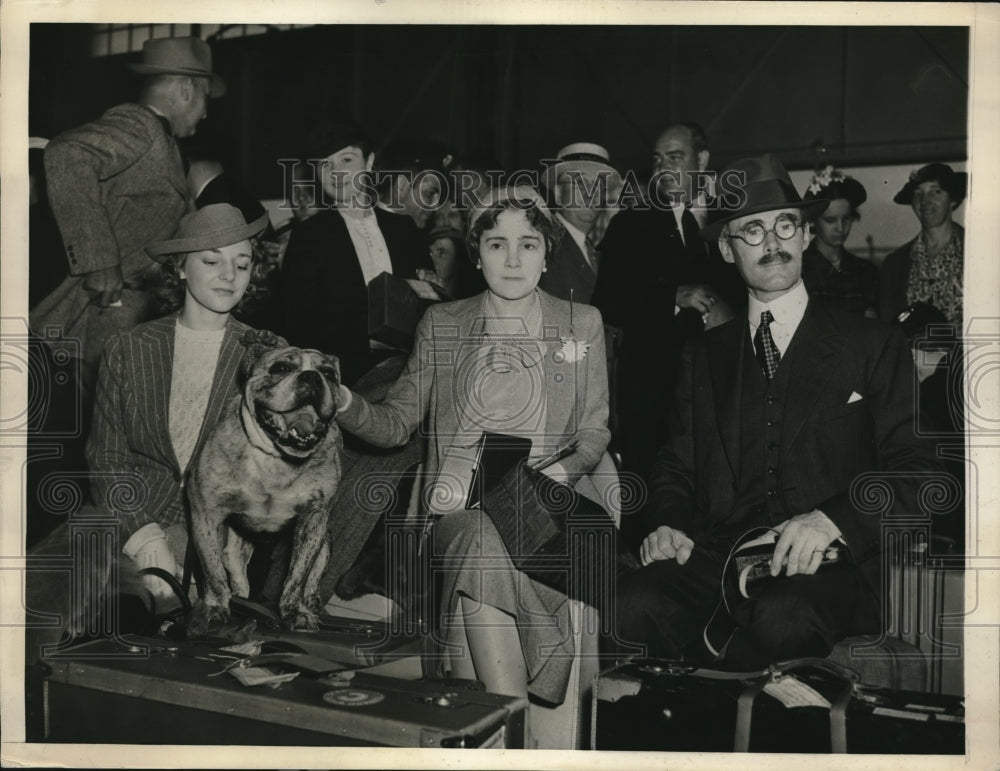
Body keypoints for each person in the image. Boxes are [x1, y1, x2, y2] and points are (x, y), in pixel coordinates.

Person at [616, 155, 940, 671]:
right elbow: (675, 468)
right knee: (632, 605)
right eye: (752, 230)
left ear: (806, 235)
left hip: (831, 565)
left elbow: (918, 472)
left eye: (785, 224)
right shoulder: (702, 355)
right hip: (721, 556)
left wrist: (833, 519)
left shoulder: (873, 344)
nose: (772, 242)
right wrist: (668, 524)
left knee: (782, 616)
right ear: (726, 248)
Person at [334, 186, 613, 744]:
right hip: (457, 513)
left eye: (528, 244)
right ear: (476, 252)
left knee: (490, 536)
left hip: (549, 510)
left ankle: (504, 736)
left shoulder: (582, 323)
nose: (513, 260)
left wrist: (557, 477)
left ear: (546, 251)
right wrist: (343, 402)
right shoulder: (443, 322)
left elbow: (594, 432)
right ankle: (522, 725)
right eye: (497, 243)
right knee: (481, 534)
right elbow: (396, 423)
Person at [26, 204, 274, 661]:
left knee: (134, 617)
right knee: (41, 598)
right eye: (211, 260)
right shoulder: (129, 348)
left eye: (242, 263)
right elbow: (106, 459)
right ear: (179, 269)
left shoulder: (266, 356)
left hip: (209, 534)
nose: (229, 275)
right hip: (121, 512)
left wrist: (193, 541)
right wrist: (145, 536)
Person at [29, 36, 225, 392]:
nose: (206, 112)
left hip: (127, 312)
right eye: (205, 99)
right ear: (186, 89)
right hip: (108, 307)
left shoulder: (166, 146)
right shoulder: (141, 126)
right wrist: (98, 259)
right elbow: (65, 154)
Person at [592, 123, 739, 491]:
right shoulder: (630, 225)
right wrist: (672, 296)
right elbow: (606, 301)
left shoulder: (733, 220)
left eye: (675, 157)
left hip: (725, 392)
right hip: (654, 398)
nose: (662, 168)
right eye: (657, 160)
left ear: (702, 160)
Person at [273, 119, 426, 386]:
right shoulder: (309, 236)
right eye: (325, 164)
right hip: (347, 381)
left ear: (369, 163)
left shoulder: (404, 229)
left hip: (412, 376)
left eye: (347, 159)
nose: (336, 172)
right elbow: (297, 324)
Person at [878, 163, 967, 326]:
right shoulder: (895, 265)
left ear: (953, 200)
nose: (925, 200)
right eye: (918, 194)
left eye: (936, 192)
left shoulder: (979, 253)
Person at [539, 142, 621, 305]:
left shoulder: (595, 251)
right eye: (580, 185)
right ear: (559, 193)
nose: (590, 195)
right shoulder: (544, 244)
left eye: (599, 187)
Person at [801, 166, 879, 317]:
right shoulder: (799, 270)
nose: (840, 228)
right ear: (813, 221)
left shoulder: (865, 271)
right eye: (830, 220)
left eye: (846, 219)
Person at [421, 224, 485, 300]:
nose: (433, 259)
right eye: (430, 253)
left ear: (458, 258)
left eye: (441, 253)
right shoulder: (424, 289)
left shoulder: (473, 296)